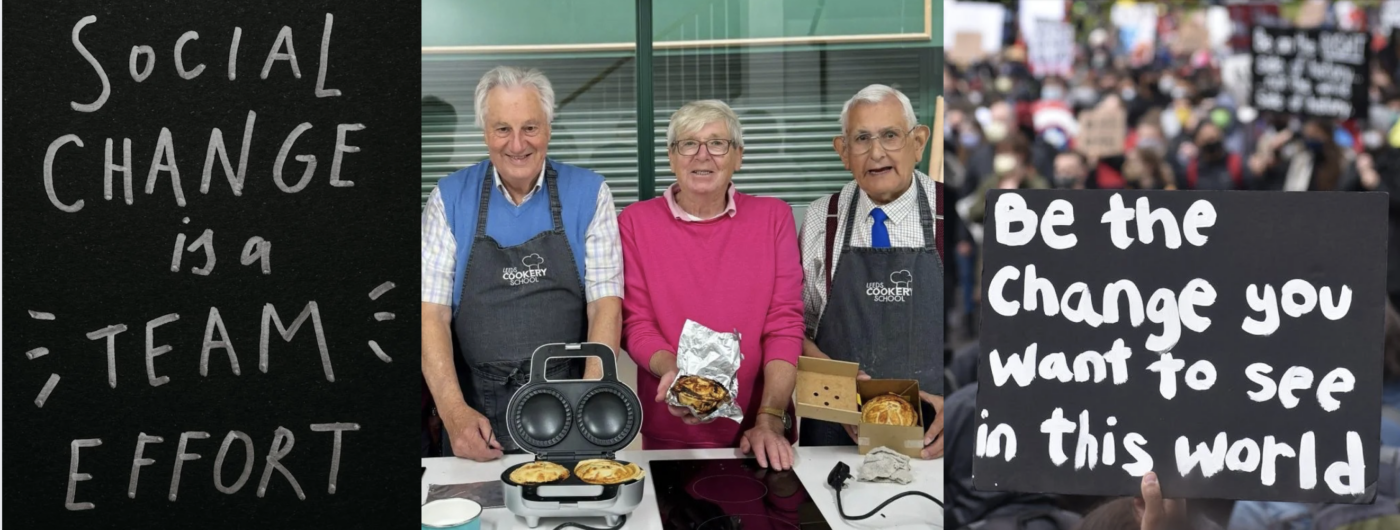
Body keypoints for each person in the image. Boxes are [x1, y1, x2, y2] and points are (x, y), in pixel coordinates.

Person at [421, 66, 623, 461]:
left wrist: (589, 402)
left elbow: (605, 306)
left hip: (571, 407)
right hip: (475, 419)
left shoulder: (590, 193)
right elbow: (432, 316)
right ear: (484, 133)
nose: (517, 144)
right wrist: (453, 413)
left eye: (530, 127)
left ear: (548, 128)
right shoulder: (448, 199)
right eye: (502, 129)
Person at [619, 99, 802, 470]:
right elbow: (636, 324)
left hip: (760, 431)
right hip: (670, 434)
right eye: (688, 144)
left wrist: (769, 416)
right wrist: (677, 377)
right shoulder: (635, 223)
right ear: (672, 156)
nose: (703, 156)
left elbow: (784, 324)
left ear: (738, 156)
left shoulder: (774, 218)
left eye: (717, 143)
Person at [798, 84, 945, 460]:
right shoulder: (821, 220)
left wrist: (964, 407)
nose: (876, 153)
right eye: (862, 138)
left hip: (936, 444)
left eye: (891, 136)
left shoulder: (952, 216)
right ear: (843, 152)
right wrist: (841, 389)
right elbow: (790, 331)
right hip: (836, 440)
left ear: (919, 142)